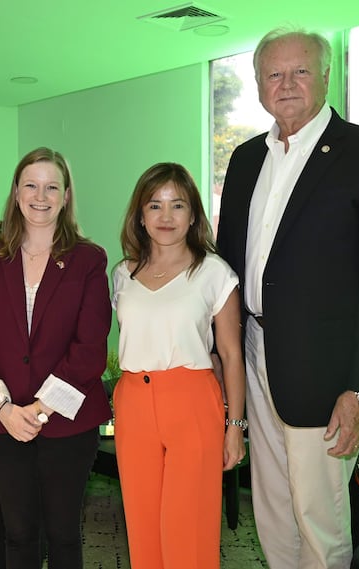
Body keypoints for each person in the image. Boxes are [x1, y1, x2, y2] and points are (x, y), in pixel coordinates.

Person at [216, 28, 359, 569]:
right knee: (273, 506)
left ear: (327, 76)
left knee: (318, 514)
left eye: (300, 71)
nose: (286, 85)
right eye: (273, 74)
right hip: (254, 352)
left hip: (326, 371)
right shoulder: (243, 161)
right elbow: (226, 266)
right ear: (259, 84)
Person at [0, 147, 112, 569]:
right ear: (15, 191)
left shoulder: (88, 259)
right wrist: (6, 410)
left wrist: (40, 409)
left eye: (51, 187)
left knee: (63, 534)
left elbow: (90, 346)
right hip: (2, 421)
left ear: (66, 196)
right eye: (31, 185)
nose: (40, 196)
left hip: (66, 421)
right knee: (18, 533)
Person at [112, 162, 246, 569]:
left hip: (192, 403)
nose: (166, 217)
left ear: (193, 216)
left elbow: (231, 354)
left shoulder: (214, 273)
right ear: (140, 215)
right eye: (155, 205)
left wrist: (235, 427)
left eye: (177, 205)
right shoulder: (122, 274)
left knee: (188, 527)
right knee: (142, 525)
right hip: (134, 403)